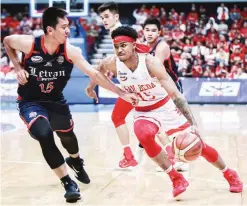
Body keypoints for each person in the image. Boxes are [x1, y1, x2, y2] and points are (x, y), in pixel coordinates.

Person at [88, 25, 243, 198]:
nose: (119, 49)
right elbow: (97, 72)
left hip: (165, 106)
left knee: (199, 146)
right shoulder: (112, 62)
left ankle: (230, 174)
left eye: (123, 45)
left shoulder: (150, 62)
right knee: (143, 134)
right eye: (116, 46)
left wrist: (193, 124)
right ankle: (176, 178)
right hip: (143, 110)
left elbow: (176, 94)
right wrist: (91, 88)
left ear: (134, 45)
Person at [3, 7, 138, 203]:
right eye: (64, 27)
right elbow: (7, 42)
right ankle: (67, 182)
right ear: (50, 30)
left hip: (56, 102)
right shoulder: (29, 43)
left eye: (68, 27)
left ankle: (75, 160)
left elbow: (94, 74)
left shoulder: (70, 51)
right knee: (44, 134)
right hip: (31, 102)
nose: (68, 31)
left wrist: (119, 92)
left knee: (68, 137)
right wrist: (17, 66)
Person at [86, 2, 152, 169]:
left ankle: (170, 157)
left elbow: (141, 52)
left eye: (107, 16)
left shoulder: (119, 33)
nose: (104, 20)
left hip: (137, 84)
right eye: (102, 18)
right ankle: (131, 156)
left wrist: (92, 85)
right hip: (135, 83)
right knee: (126, 118)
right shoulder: (115, 33)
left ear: (116, 16)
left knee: (146, 120)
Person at [142, 17, 188, 171]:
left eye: (153, 30)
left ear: (159, 32)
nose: (150, 33)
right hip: (158, 89)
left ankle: (182, 156)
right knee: (161, 126)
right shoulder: (144, 47)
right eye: (147, 30)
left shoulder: (161, 47)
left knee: (175, 125)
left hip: (171, 87)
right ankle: (173, 157)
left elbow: (155, 69)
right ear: (143, 31)